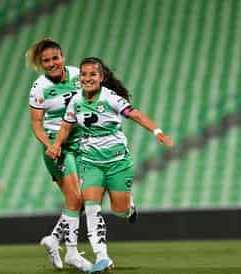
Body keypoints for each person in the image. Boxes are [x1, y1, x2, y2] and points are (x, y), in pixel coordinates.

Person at [46, 57, 174, 273]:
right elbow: (66, 127)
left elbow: (135, 114)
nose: (87, 78)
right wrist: (56, 144)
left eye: (92, 74)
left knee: (119, 210)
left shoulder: (110, 98)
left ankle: (129, 207)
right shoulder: (75, 101)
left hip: (117, 162)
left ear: (101, 78)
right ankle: (102, 257)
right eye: (84, 74)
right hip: (89, 162)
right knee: (92, 208)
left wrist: (157, 131)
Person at [26, 38, 92, 272]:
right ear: (41, 64)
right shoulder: (39, 88)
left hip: (82, 144)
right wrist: (50, 145)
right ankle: (72, 253)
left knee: (84, 199)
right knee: (75, 198)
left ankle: (54, 240)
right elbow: (36, 124)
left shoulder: (77, 75)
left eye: (55, 58)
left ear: (63, 57)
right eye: (46, 61)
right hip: (58, 149)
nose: (52, 63)